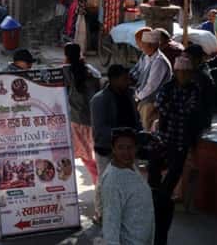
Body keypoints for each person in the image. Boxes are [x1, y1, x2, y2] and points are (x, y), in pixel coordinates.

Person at [149, 56, 202, 245]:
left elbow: (190, 109)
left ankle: (163, 204)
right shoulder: (167, 88)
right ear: (177, 72)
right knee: (154, 173)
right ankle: (155, 202)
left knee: (173, 175)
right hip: (163, 138)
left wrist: (171, 109)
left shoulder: (194, 89)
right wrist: (175, 110)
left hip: (181, 140)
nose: (185, 75)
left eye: (188, 73)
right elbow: (161, 105)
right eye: (182, 72)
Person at [91, 64, 141, 217]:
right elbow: (100, 129)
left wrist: (138, 134)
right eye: (124, 79)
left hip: (127, 146)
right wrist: (122, 137)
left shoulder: (129, 95)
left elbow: (135, 119)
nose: (128, 82)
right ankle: (101, 214)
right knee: (105, 183)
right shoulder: (99, 100)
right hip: (107, 148)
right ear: (114, 80)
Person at [100, 127, 155, 245]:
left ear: (136, 148)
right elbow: (110, 224)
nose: (126, 152)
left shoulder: (130, 166)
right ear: (113, 149)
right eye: (120, 147)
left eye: (130, 147)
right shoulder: (112, 182)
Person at [63, 43, 102, 183]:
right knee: (94, 154)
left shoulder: (65, 71)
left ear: (66, 55)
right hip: (95, 118)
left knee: (86, 155)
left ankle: (98, 180)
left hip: (78, 120)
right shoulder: (91, 71)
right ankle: (99, 179)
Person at [134, 29, 173, 130]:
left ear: (151, 46)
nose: (141, 47)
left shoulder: (159, 61)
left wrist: (137, 97)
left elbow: (151, 86)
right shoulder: (146, 57)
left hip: (152, 102)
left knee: (146, 130)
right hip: (143, 99)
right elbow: (136, 72)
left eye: (144, 45)